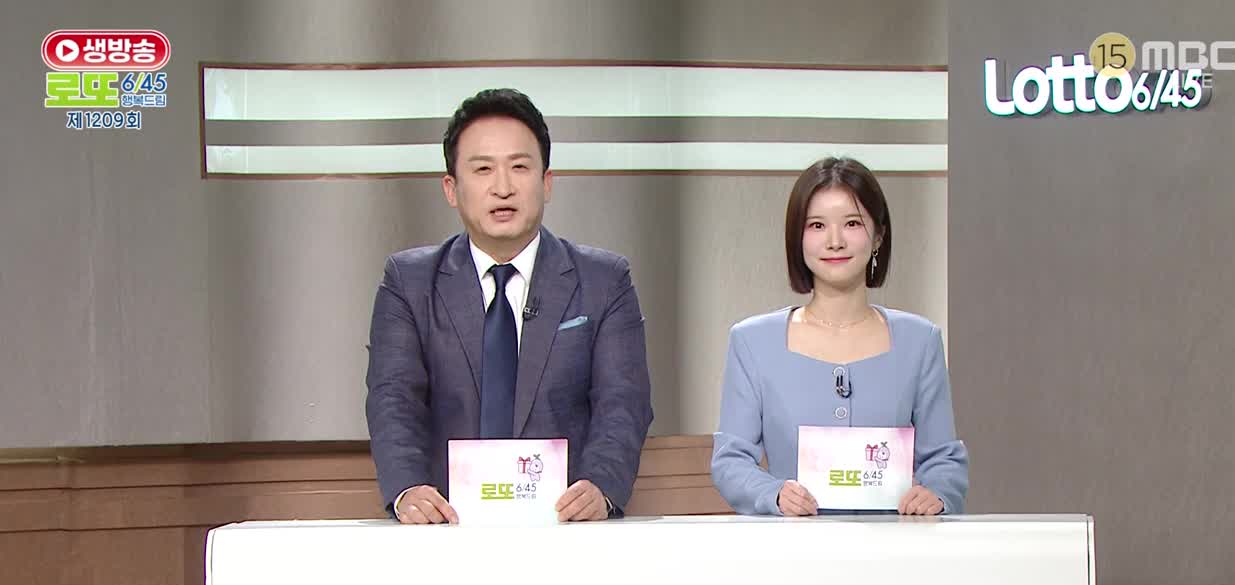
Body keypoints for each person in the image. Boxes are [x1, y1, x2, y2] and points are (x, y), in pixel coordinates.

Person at [366, 88, 654, 524]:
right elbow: (393, 399)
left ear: (547, 182)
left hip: (566, 527)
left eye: (519, 167)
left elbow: (623, 402)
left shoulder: (604, 280)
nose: (503, 187)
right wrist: (409, 490)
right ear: (451, 188)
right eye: (483, 169)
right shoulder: (409, 283)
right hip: (445, 527)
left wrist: (601, 487)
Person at [711, 156, 968, 516]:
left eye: (852, 223)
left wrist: (936, 493)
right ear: (797, 238)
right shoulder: (753, 342)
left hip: (894, 544)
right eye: (817, 225)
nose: (834, 241)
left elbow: (944, 459)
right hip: (795, 543)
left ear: (878, 236)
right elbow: (731, 461)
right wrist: (774, 494)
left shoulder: (920, 341)